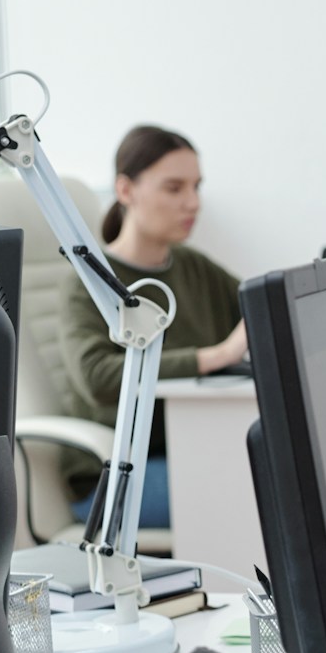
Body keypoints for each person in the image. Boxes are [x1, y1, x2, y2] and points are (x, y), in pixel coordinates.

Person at [54, 125, 249, 529]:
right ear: (125, 190)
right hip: (117, 477)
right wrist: (215, 357)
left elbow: (259, 303)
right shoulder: (88, 283)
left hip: (194, 449)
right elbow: (97, 377)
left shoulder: (193, 267)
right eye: (174, 188)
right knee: (257, 489)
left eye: (196, 187)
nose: (193, 202)